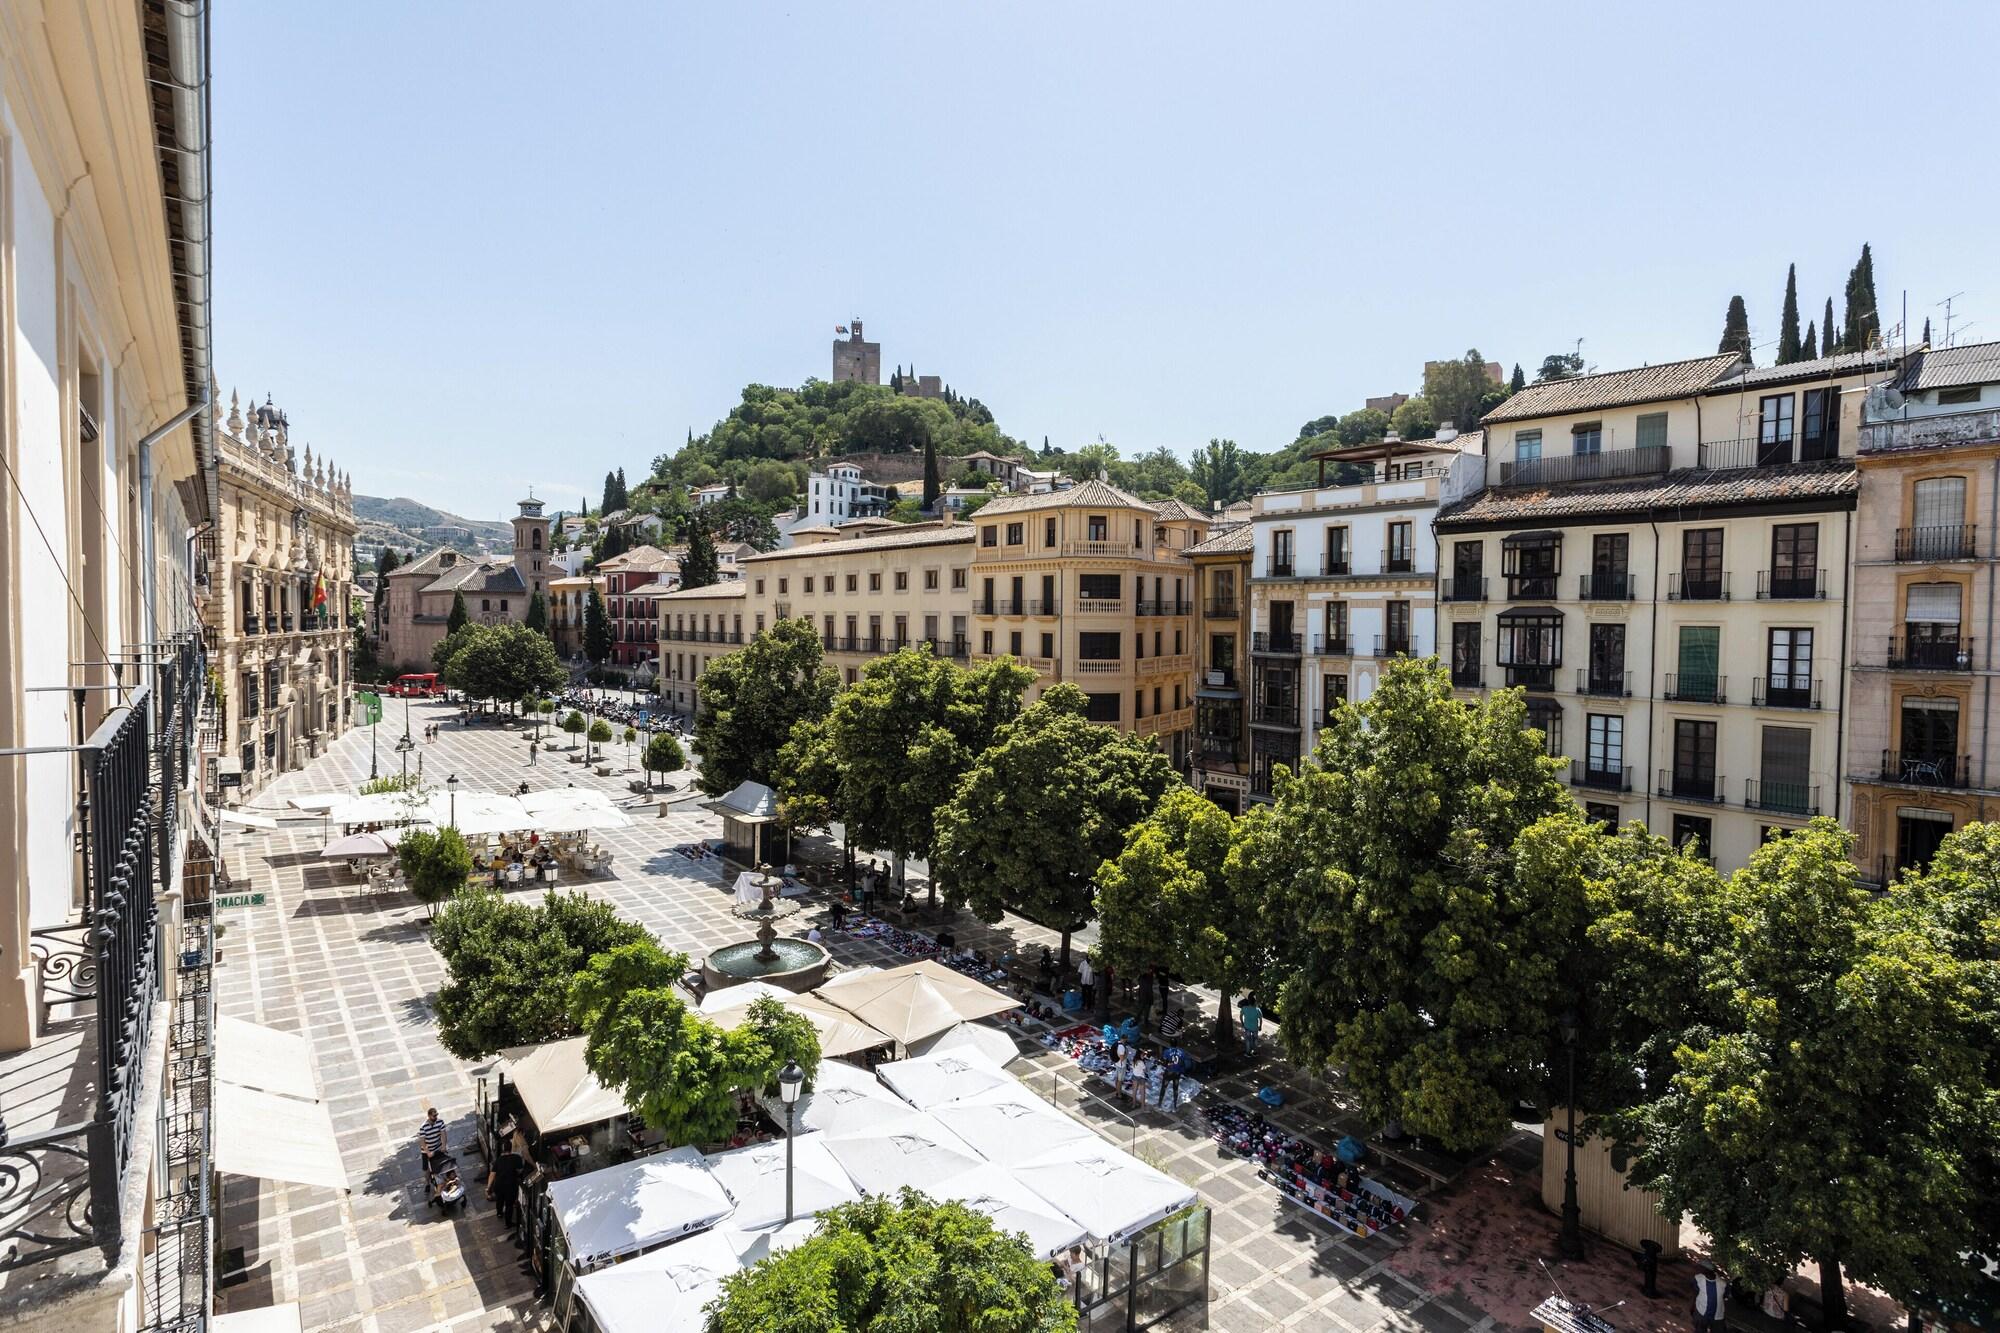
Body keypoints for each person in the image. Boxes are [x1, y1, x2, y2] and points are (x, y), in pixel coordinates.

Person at [487, 1141, 525, 1229]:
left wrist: (488, 1187)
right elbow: (520, 1170)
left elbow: (492, 1174)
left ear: (503, 1149)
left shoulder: (498, 1160)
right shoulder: (517, 1158)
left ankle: (499, 1213)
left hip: (499, 1185)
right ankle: (508, 1223)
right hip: (510, 1186)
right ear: (511, 1148)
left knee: (499, 1200)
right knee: (509, 1205)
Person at [1692, 1259, 1725, 1333]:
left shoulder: (1723, 1284)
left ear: (1706, 1269)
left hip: (1716, 1316)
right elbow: (1695, 1293)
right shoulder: (1698, 1278)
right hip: (1702, 1312)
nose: (1698, 1268)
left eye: (1700, 1267)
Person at [417, 1107, 447, 1178]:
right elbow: (422, 1142)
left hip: (438, 1147)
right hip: (427, 1150)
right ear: (429, 1116)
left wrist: (444, 1146)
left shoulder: (440, 1122)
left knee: (444, 1162)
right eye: (434, 1116)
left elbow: (443, 1134)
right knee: (426, 1168)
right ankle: (427, 1183)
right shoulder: (423, 1127)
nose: (436, 1117)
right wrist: (428, 1153)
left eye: (436, 1115)